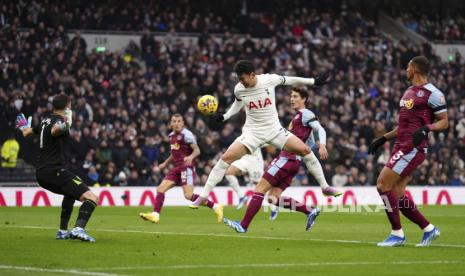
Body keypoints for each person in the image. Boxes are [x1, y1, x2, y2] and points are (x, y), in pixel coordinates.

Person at [190, 60, 339, 209]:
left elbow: (291, 79)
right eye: (239, 79)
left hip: (274, 130)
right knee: (225, 159)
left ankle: (325, 187)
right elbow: (238, 103)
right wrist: (225, 116)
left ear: (252, 75)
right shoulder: (239, 89)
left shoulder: (269, 80)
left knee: (305, 151)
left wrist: (313, 81)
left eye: (243, 78)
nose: (241, 82)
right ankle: (203, 196)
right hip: (252, 133)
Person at [224, 87, 336, 232]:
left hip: (286, 159)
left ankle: (243, 225)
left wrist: (323, 145)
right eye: (291, 96)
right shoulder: (297, 119)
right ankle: (309, 211)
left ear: (304, 99)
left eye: (296, 96)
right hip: (294, 162)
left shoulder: (305, 114)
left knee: (259, 189)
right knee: (273, 198)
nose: (292, 99)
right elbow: (308, 144)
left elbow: (320, 129)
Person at [368, 56, 448, 247]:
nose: (406, 70)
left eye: (408, 67)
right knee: (396, 192)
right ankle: (429, 229)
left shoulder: (433, 93)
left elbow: (444, 122)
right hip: (401, 145)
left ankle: (397, 234)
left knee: (382, 184)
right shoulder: (409, 91)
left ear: (415, 70)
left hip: (413, 147)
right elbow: (403, 125)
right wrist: (382, 139)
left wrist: (427, 129)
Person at [17, 94, 98, 242]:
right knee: (92, 198)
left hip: (42, 173)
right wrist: (64, 124)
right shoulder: (60, 121)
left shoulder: (44, 121)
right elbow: (55, 131)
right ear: (68, 106)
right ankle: (78, 229)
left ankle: (62, 231)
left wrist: (24, 127)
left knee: (70, 194)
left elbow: (26, 132)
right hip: (55, 171)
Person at [139, 114, 223, 223]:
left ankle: (215, 207)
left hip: (186, 168)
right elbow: (174, 153)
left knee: (188, 196)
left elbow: (197, 150)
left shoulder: (187, 135)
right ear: (171, 124)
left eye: (179, 121)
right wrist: (165, 163)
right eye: (174, 121)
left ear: (183, 123)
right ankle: (155, 215)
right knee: (160, 189)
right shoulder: (170, 136)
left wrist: (191, 157)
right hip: (176, 168)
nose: (177, 123)